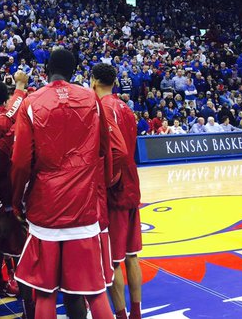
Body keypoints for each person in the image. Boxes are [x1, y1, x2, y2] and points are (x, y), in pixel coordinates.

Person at [11, 49, 115, 319]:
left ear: (45, 69)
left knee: (45, 290)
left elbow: (21, 161)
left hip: (46, 206)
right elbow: (105, 149)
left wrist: (17, 201)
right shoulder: (92, 99)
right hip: (83, 203)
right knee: (93, 290)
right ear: (75, 70)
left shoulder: (31, 102)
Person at [91, 63, 143, 319]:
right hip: (133, 184)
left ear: (93, 81)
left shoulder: (103, 108)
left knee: (113, 260)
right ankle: (136, 313)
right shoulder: (125, 106)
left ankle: (121, 315)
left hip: (117, 190)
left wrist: (109, 180)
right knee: (132, 255)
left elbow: (119, 151)